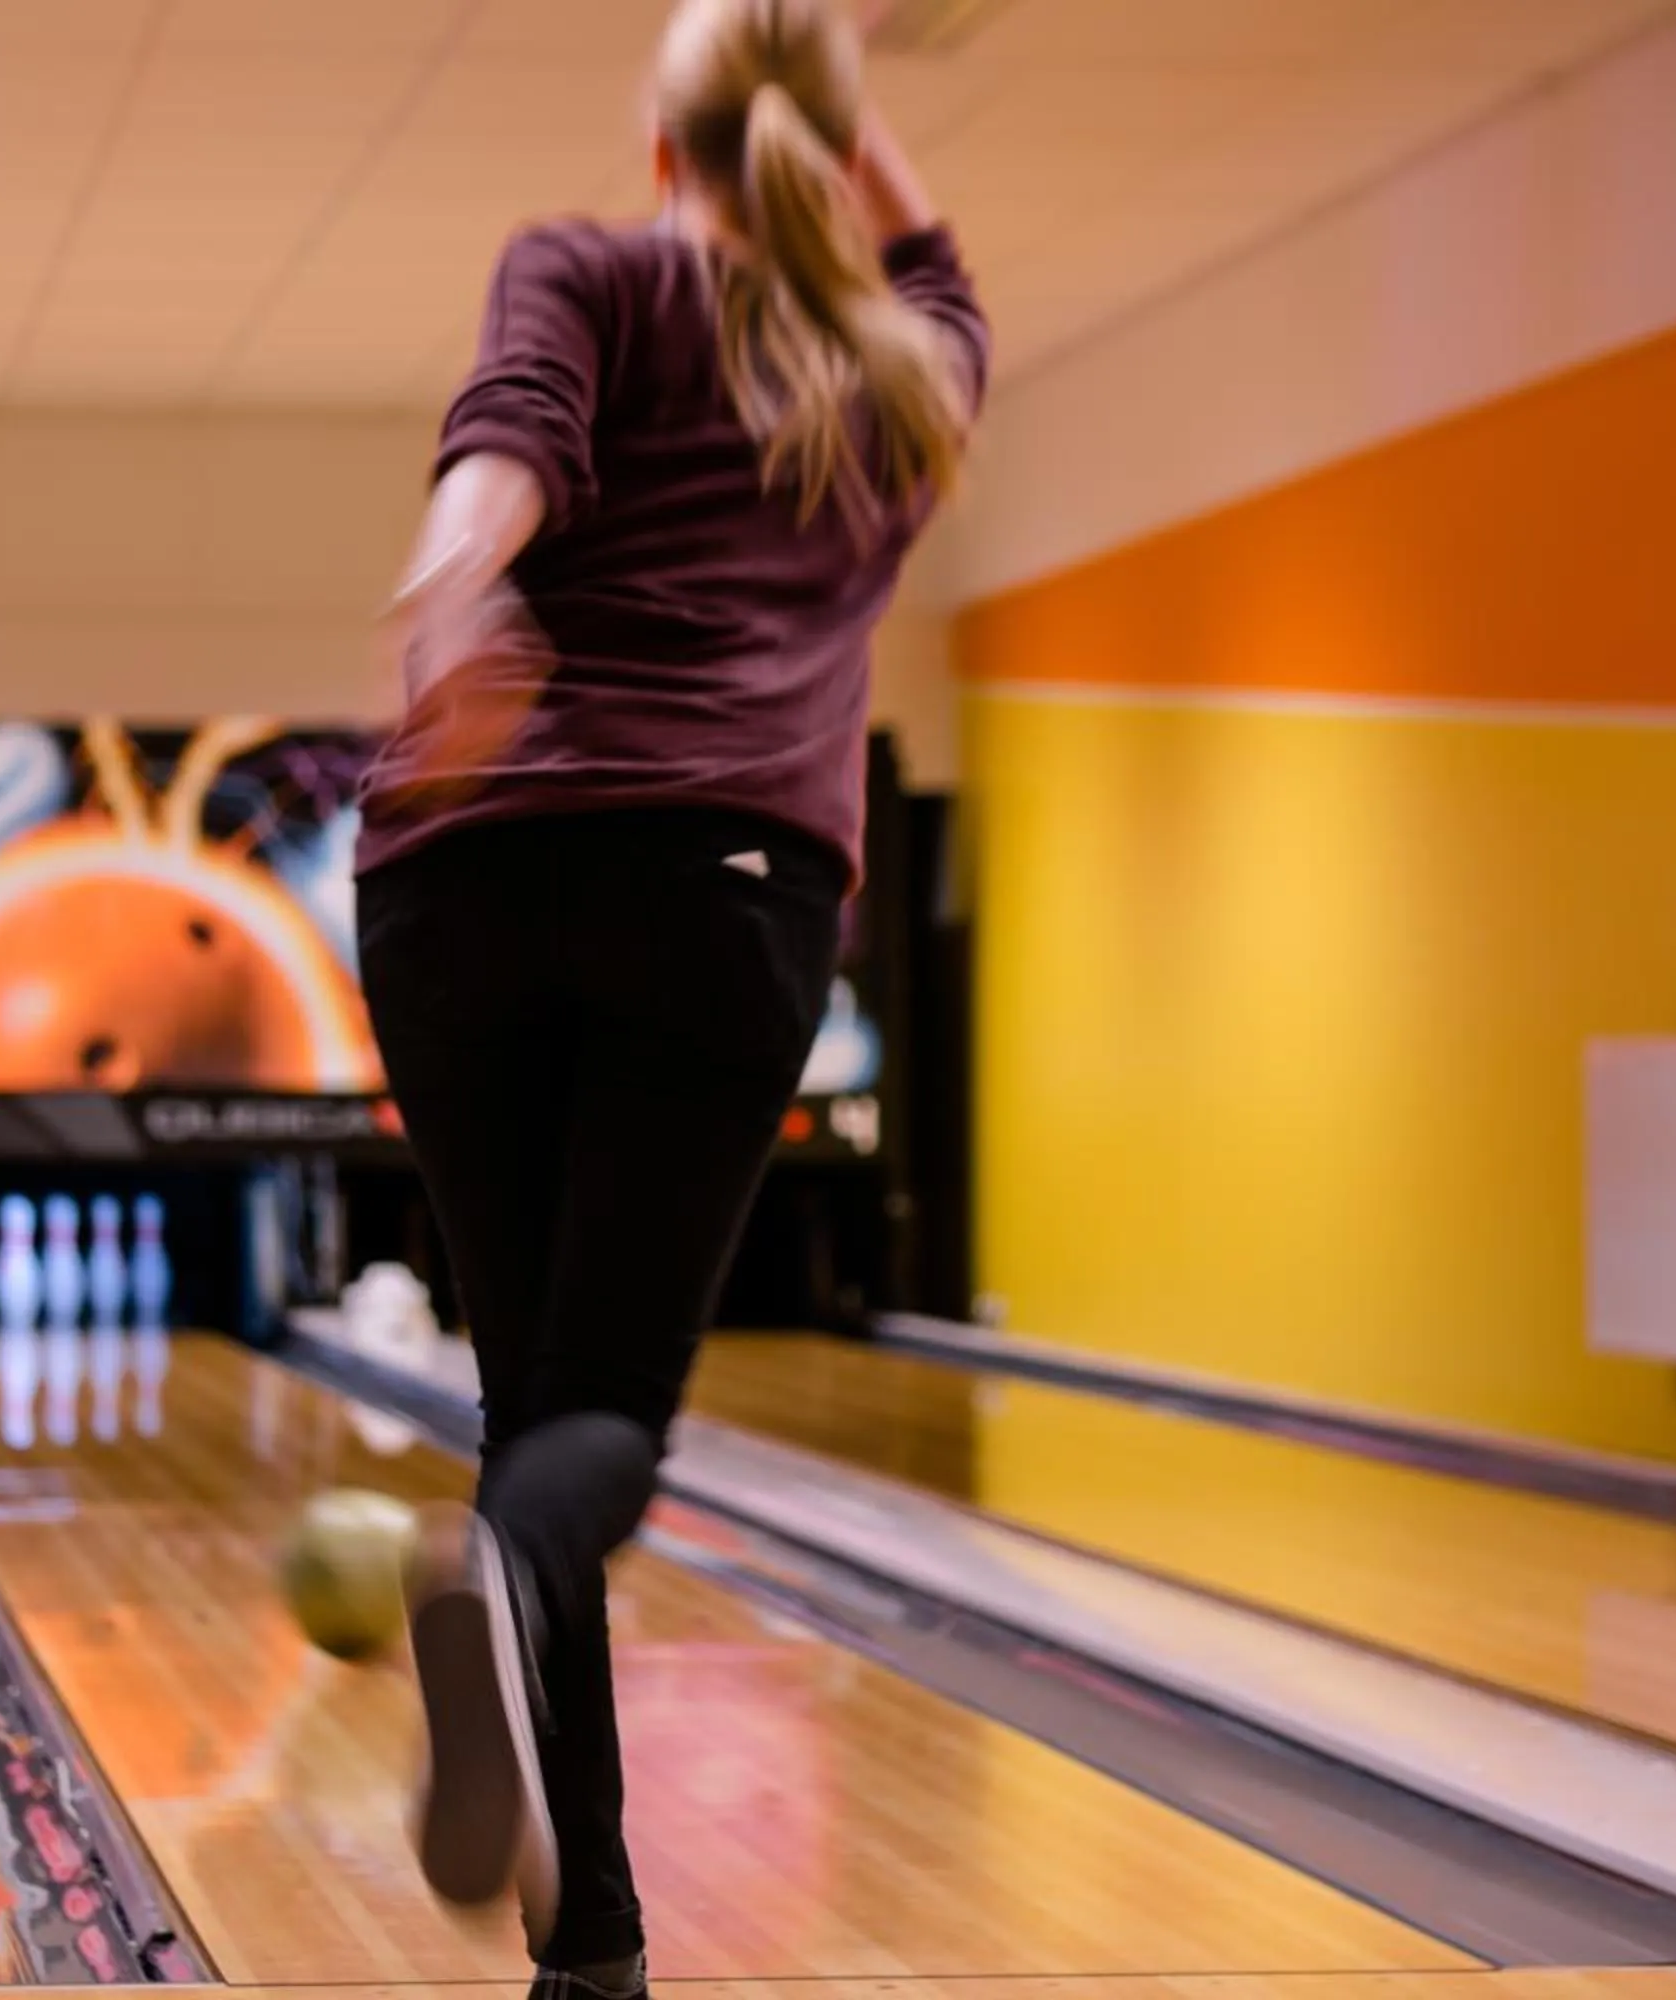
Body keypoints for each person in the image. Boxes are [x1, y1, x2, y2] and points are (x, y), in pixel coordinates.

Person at [353, 0, 986, 1991]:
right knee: (589, 1432)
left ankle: (593, 1947)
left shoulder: (586, 265)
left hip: (456, 873)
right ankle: (514, 1612)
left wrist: (457, 592)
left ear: (658, 134)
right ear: (843, 141)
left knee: (528, 1417)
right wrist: (832, 83)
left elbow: (508, 434)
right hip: (722, 895)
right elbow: (938, 255)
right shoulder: (913, 379)